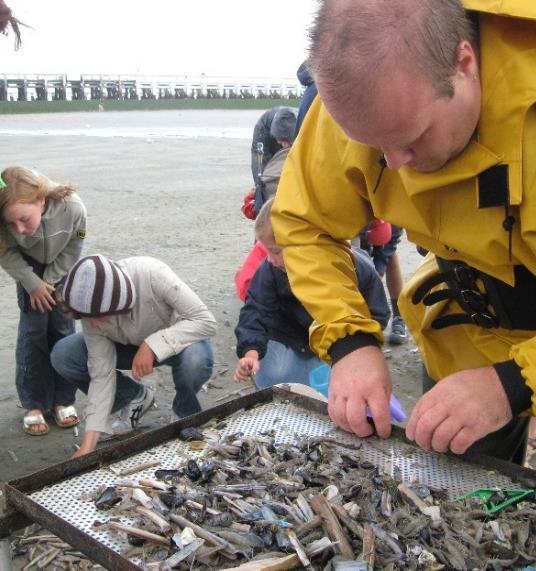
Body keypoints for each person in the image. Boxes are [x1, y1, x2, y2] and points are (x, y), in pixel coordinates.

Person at [272, 0, 536, 464]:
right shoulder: (361, 99)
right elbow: (303, 221)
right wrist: (350, 342)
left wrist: (515, 382)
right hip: (468, 324)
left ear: (464, 64)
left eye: (412, 139)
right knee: (460, 495)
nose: (393, 163)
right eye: (375, 146)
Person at [50, 254, 217, 457]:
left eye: (98, 317)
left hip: (179, 338)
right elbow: (101, 374)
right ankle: (134, 398)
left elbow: (205, 321)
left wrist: (152, 345)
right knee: (65, 354)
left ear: (118, 303)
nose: (92, 324)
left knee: (196, 360)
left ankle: (183, 414)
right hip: (128, 346)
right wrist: (88, 444)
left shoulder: (152, 274)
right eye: (86, 317)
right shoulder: (88, 306)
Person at [234, 198, 390, 388]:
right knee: (274, 377)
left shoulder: (356, 267)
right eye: (266, 251)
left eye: (275, 251)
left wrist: (358, 348)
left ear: (302, 243)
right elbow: (256, 309)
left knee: (337, 382)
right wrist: (251, 351)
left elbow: (377, 312)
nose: (270, 259)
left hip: (335, 337)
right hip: (287, 334)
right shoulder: (270, 269)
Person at [0, 166, 86, 435]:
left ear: (41, 200)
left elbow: (76, 243)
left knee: (63, 329)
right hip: (28, 270)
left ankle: (63, 399)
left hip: (62, 266)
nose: (21, 229)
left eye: (24, 219)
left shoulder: (73, 207)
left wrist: (51, 280)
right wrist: (33, 283)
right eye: (12, 224)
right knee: (33, 332)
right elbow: (5, 252)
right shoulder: (5, 215)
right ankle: (34, 403)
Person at [243, 106, 297, 218]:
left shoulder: (300, 122)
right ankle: (263, 215)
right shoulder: (263, 131)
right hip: (266, 132)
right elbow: (259, 168)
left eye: (285, 142)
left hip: (289, 129)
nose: (284, 145)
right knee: (262, 181)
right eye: (282, 142)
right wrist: (259, 190)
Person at [360, 224, 407, 345]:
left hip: (387, 226)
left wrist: (371, 278)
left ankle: (399, 317)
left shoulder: (393, 227)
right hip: (353, 224)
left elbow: (378, 267)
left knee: (389, 256)